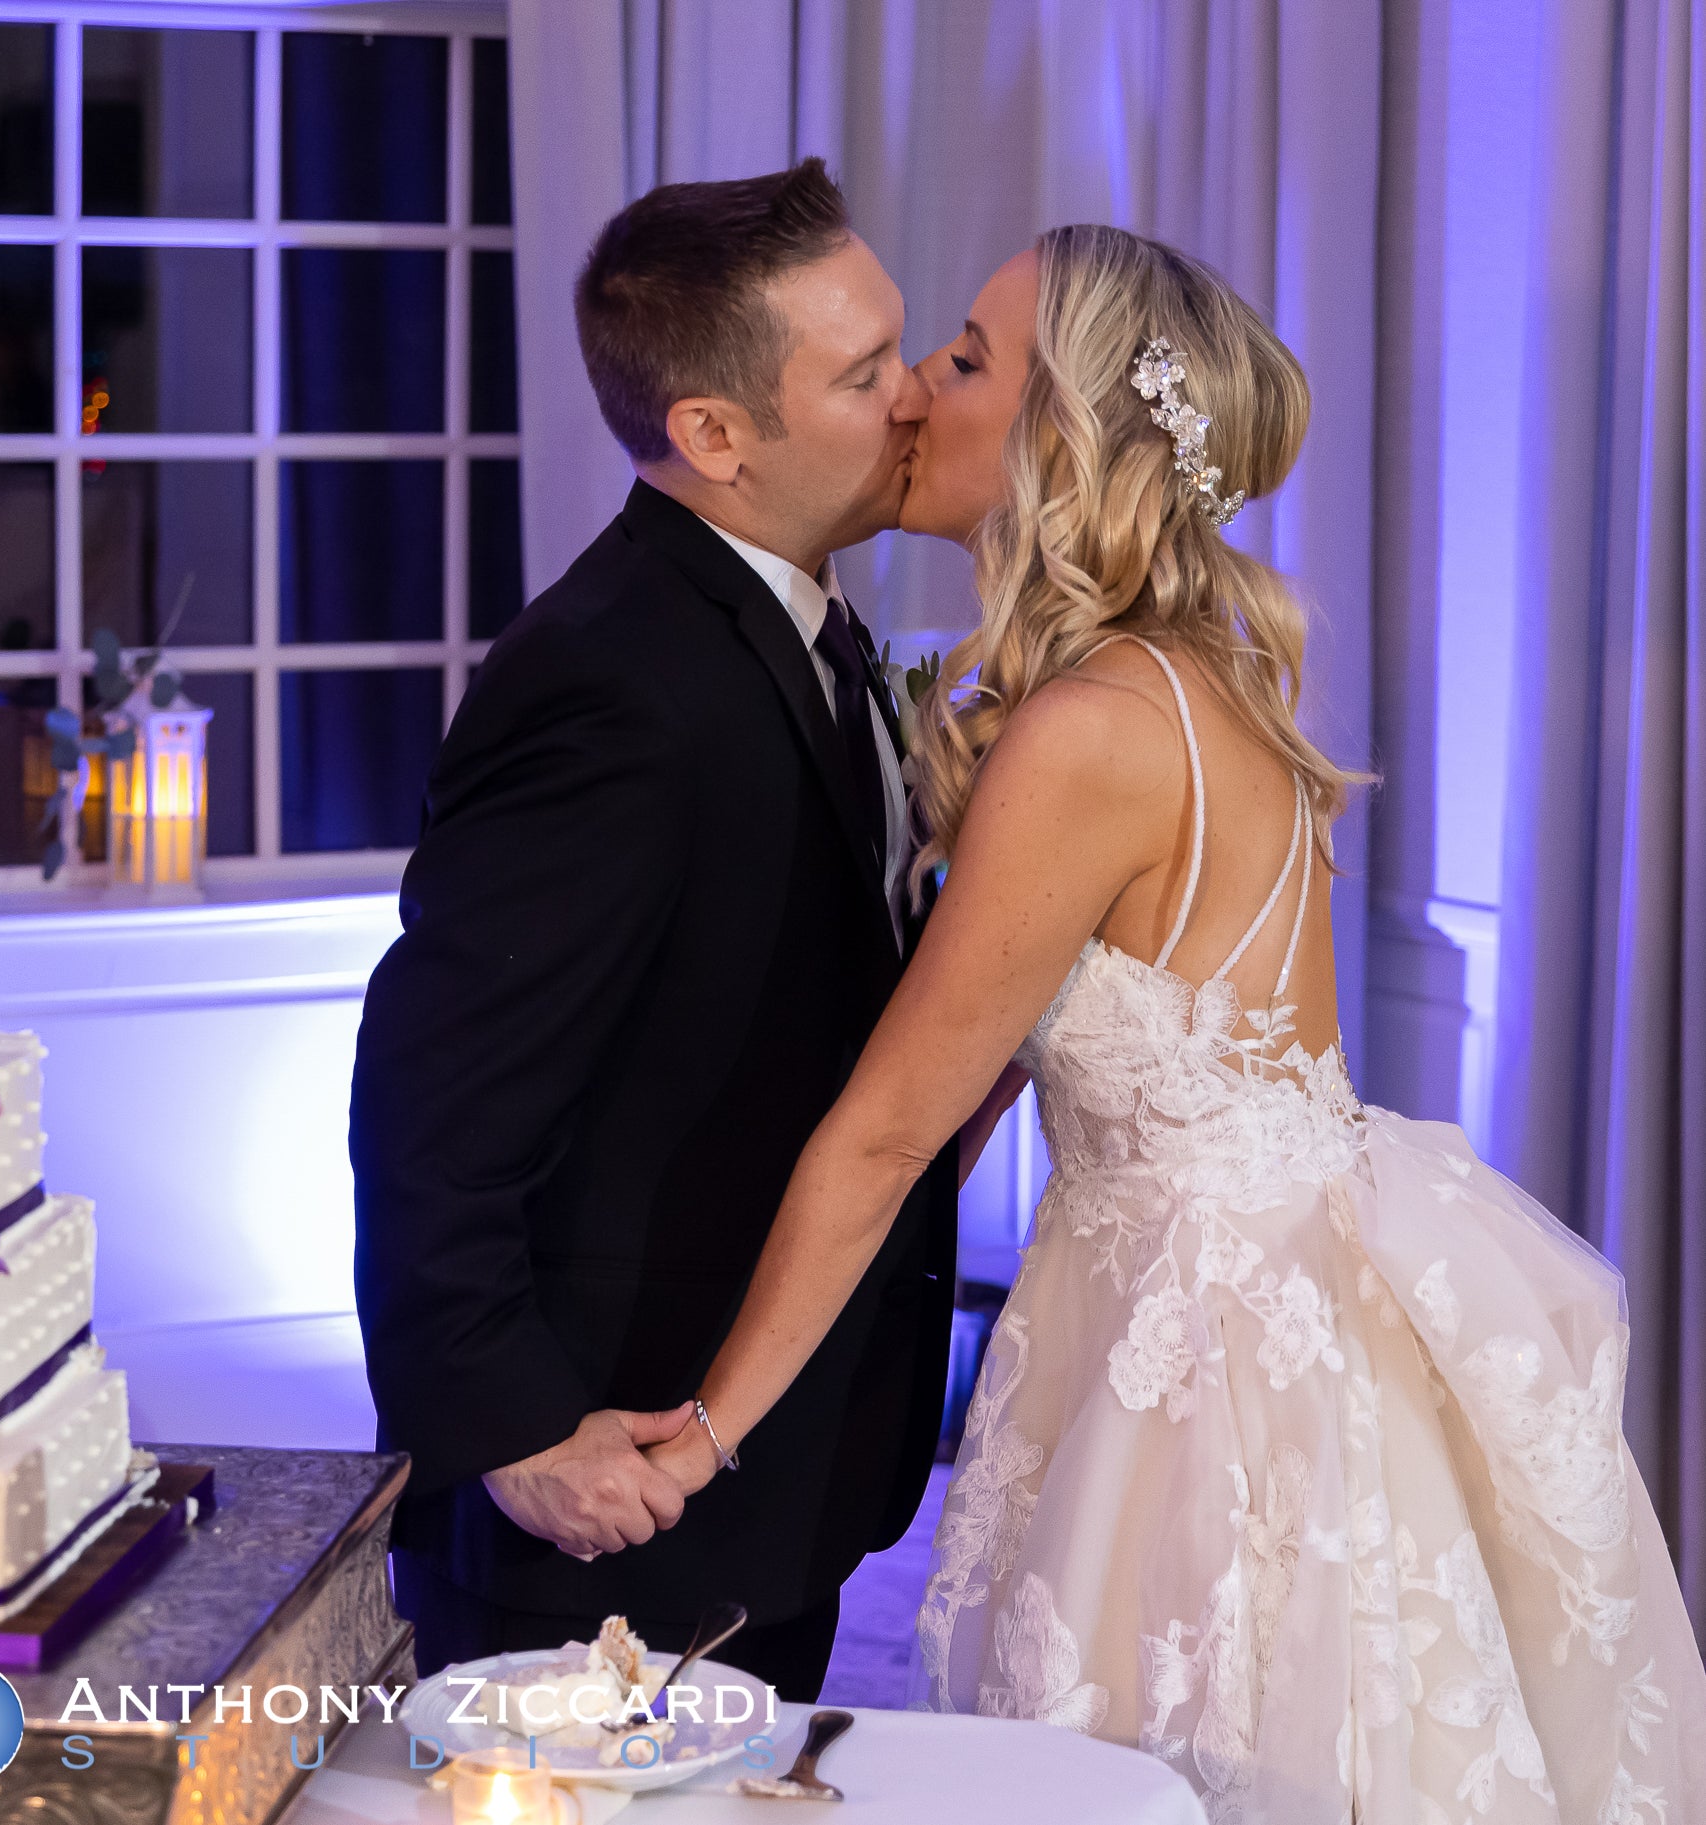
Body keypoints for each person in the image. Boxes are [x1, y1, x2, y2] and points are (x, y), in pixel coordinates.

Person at [643, 223, 1706, 1817]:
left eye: (969, 359)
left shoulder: (1086, 730)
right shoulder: (1190, 682)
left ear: (1063, 428)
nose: (925, 388)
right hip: (1228, 1285)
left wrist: (704, 1429)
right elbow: (996, 1076)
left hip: (1205, 1360)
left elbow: (887, 1130)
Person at [351, 161, 986, 1702]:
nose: (911, 398)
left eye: (902, 345)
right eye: (859, 372)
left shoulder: (809, 624)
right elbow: (434, 1091)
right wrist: (509, 1428)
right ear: (710, 435)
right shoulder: (608, 680)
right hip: (608, 1481)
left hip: (772, 1475)